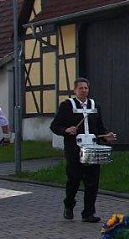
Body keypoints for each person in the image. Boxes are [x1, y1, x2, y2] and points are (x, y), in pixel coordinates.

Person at [50, 78, 117, 222]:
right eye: (80, 88)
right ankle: (69, 204)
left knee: (93, 181)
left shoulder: (95, 105)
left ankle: (88, 213)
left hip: (92, 148)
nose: (83, 90)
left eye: (86, 88)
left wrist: (106, 136)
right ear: (75, 90)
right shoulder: (67, 105)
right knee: (74, 179)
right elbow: (55, 126)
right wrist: (66, 130)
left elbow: (100, 127)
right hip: (74, 149)